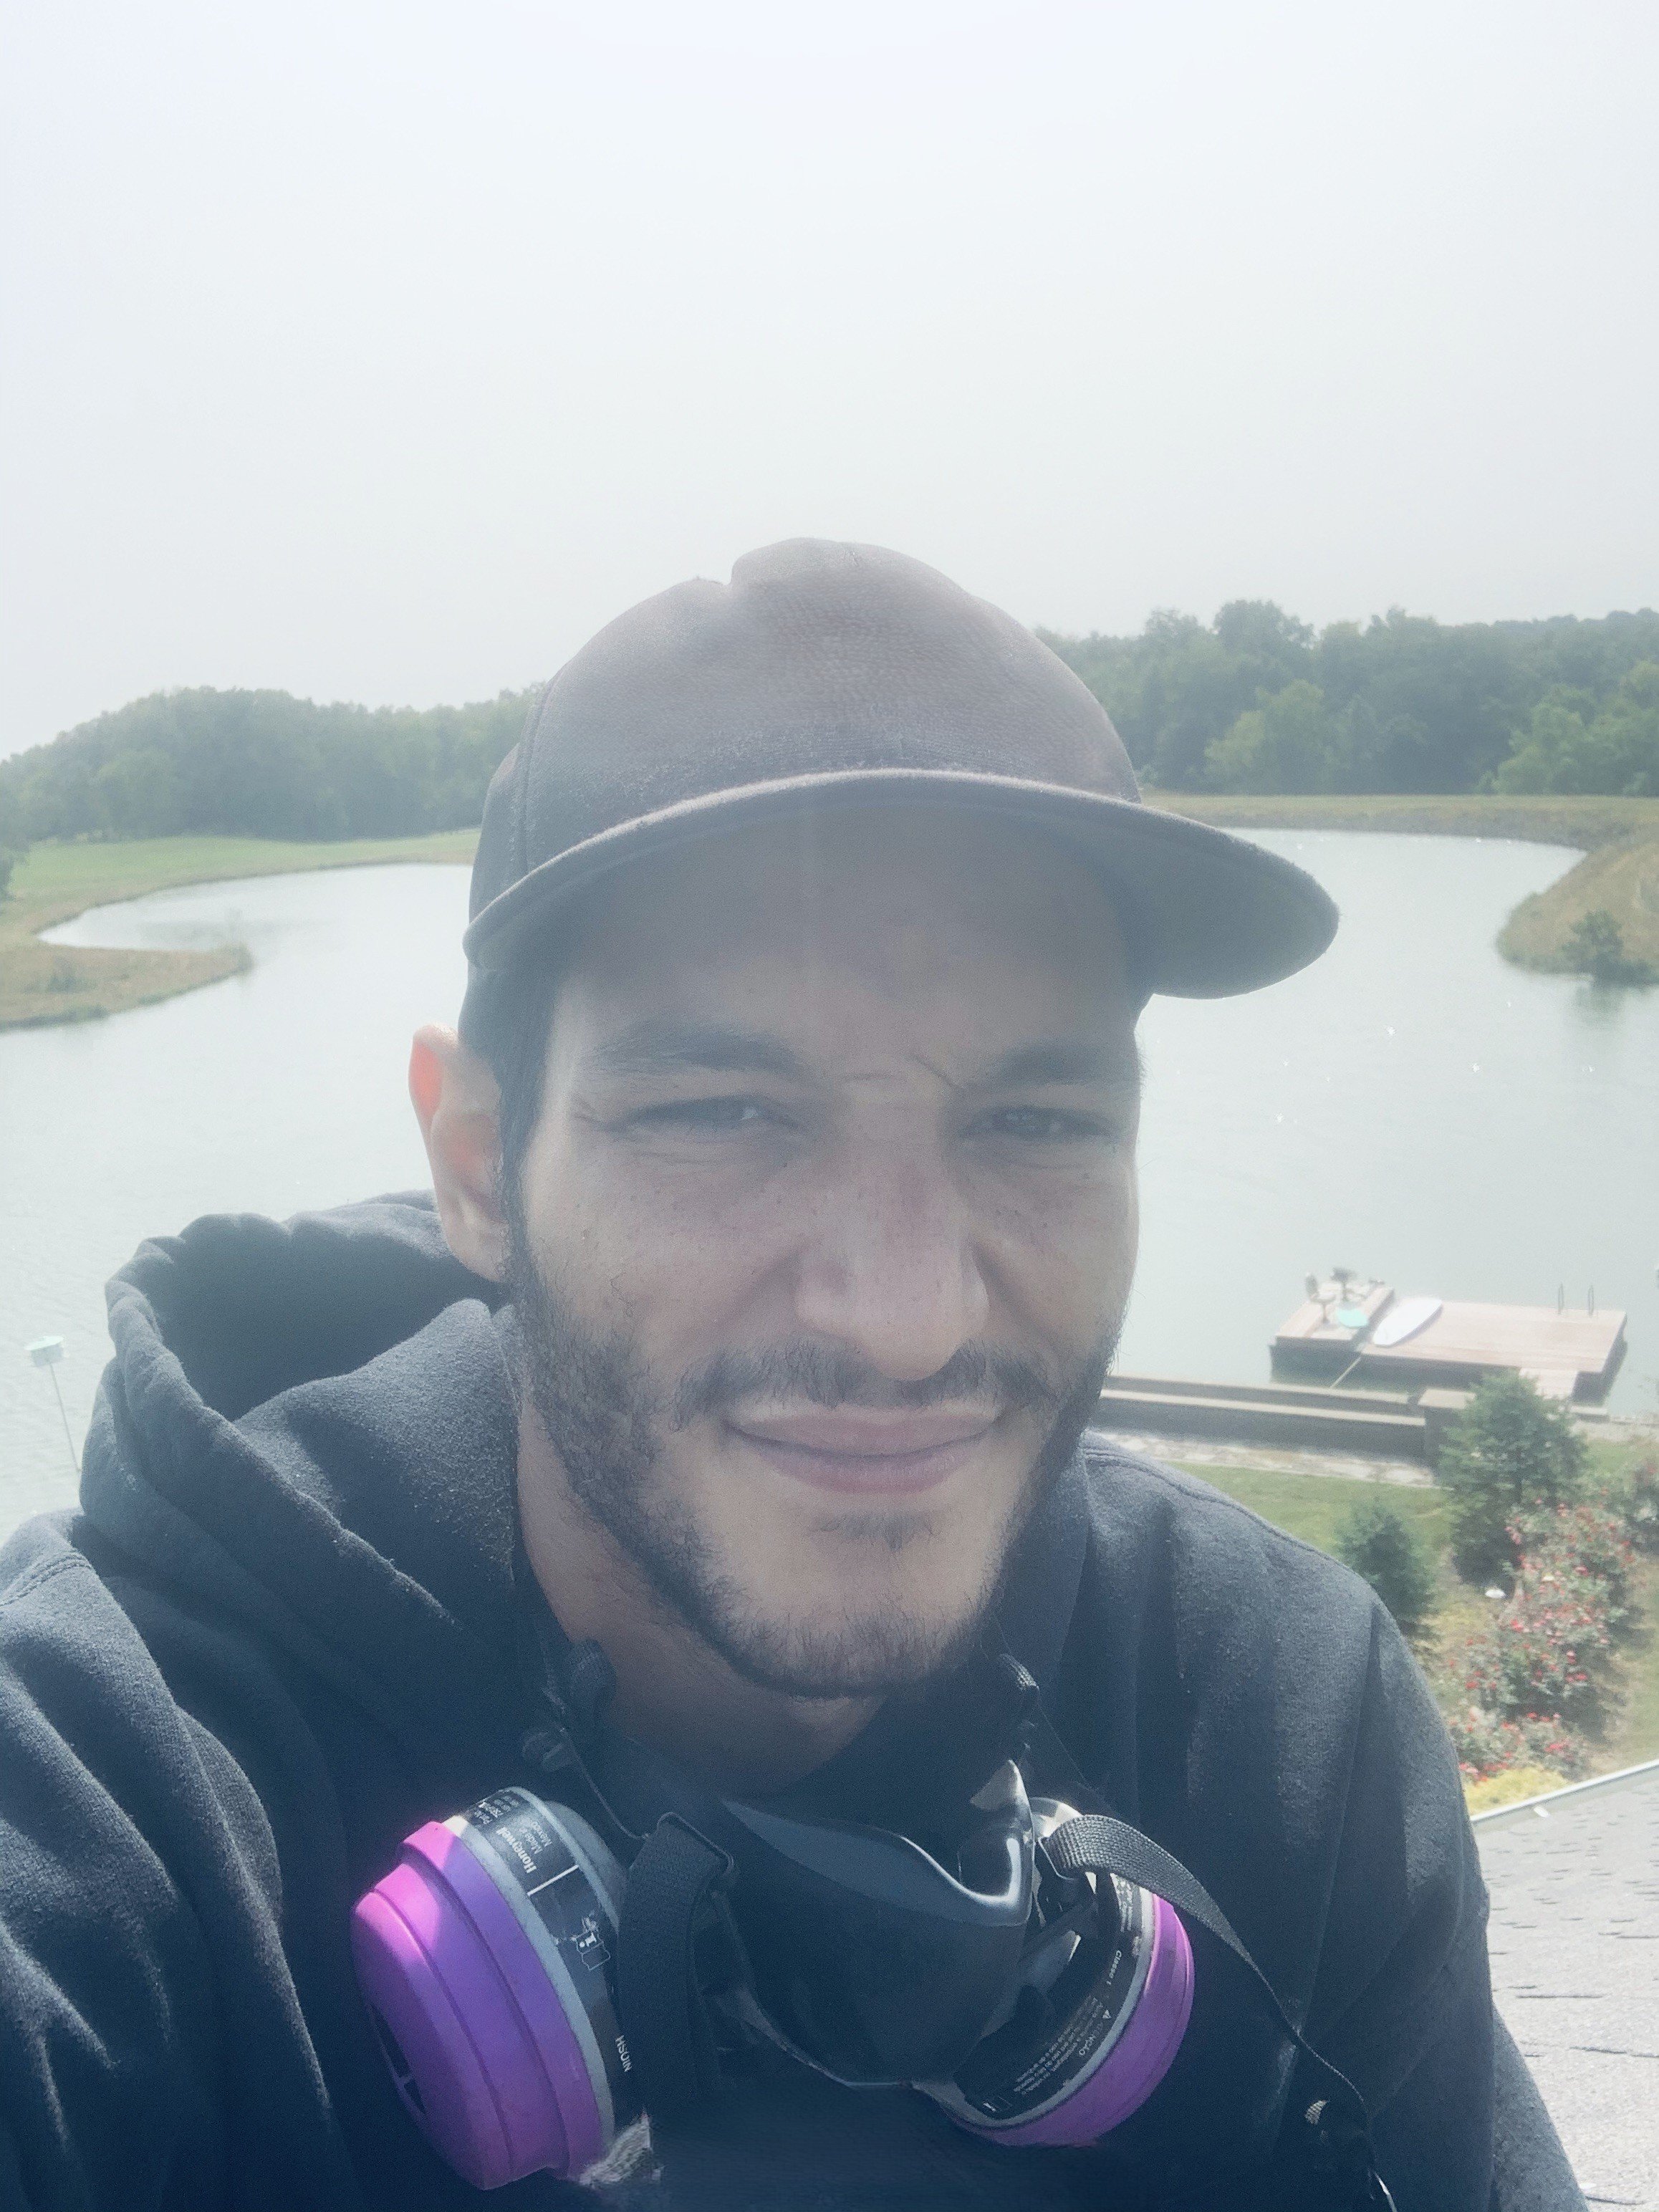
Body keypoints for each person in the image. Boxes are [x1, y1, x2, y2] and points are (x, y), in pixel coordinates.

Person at [0, 541, 1583, 2211]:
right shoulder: (118, 1809)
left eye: (1033, 1123)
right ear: (479, 1159)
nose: (905, 1312)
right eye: (722, 1112)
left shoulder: (1272, 1709)